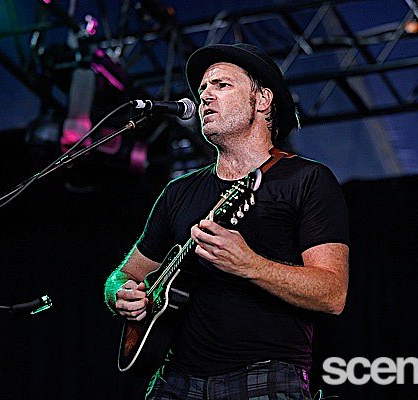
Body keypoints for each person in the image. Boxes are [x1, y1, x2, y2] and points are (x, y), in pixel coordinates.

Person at [104, 43, 349, 399]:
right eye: (203, 88)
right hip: (174, 381)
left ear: (262, 100)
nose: (205, 96)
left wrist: (249, 264)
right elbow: (124, 275)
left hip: (265, 376)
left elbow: (333, 294)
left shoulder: (307, 180)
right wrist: (121, 294)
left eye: (221, 85)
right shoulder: (178, 192)